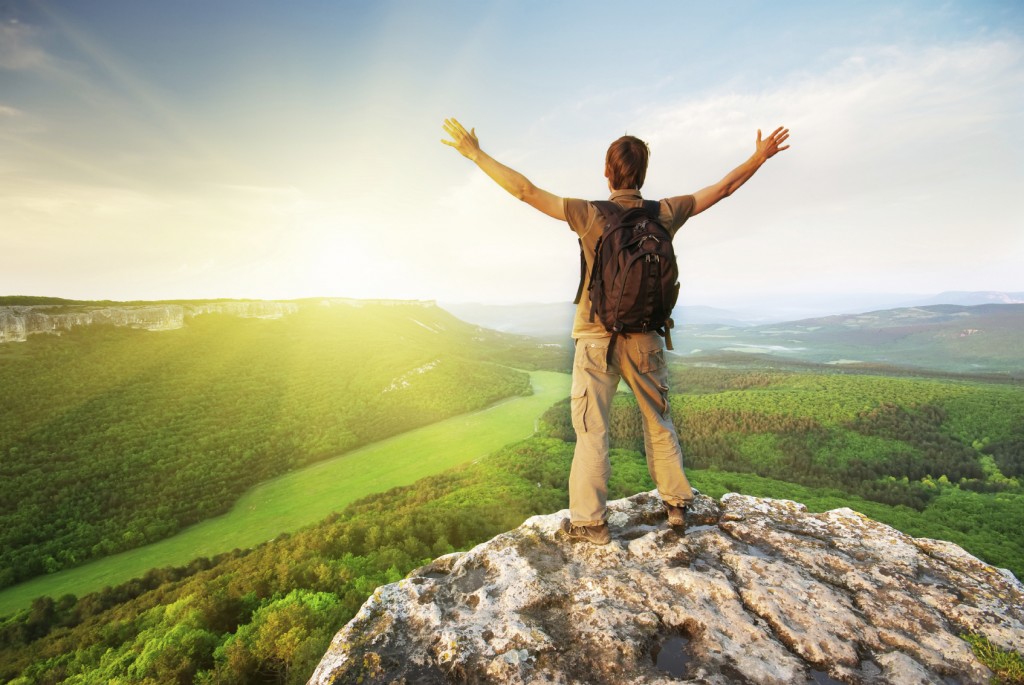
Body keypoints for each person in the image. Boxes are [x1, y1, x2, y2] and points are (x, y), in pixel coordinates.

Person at [441, 117, 790, 544]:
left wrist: (475, 153)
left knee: (592, 429)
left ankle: (590, 523)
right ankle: (677, 506)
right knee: (658, 420)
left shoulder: (588, 214)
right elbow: (723, 189)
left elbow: (524, 191)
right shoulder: (663, 212)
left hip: (595, 338)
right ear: (643, 174)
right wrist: (759, 156)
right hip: (645, 336)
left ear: (607, 172)